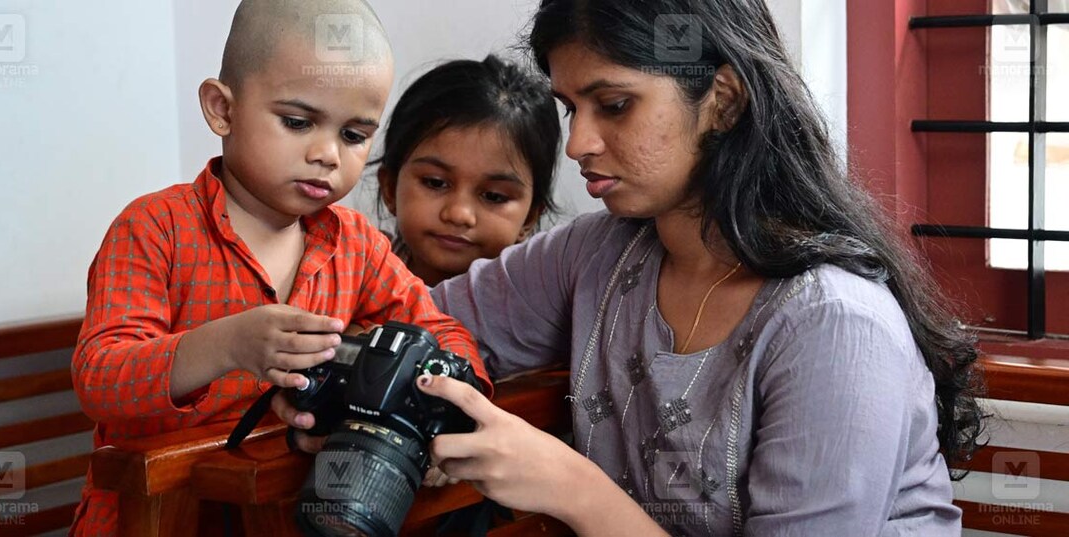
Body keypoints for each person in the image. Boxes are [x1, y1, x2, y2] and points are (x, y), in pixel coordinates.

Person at [281, 0, 984, 535]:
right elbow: (411, 321)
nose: (579, 143)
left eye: (614, 105)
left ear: (724, 99)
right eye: (570, 108)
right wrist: (344, 387)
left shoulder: (835, 325)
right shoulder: (599, 253)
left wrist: (570, 487)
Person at [68, 1, 492, 534]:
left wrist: (449, 410)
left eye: (355, 135)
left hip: (283, 511)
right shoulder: (155, 227)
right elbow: (101, 376)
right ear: (222, 109)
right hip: (155, 515)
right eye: (297, 121)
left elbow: (441, 331)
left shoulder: (356, 243)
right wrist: (225, 345)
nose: (328, 154)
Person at [373, 55, 561, 287]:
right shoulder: (350, 273)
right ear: (390, 188)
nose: (459, 214)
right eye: (435, 182)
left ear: (529, 217)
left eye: (494, 196)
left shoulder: (535, 310)